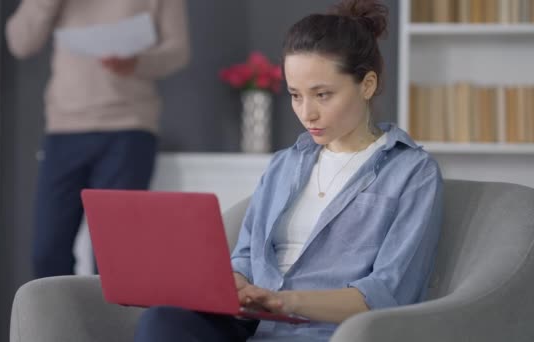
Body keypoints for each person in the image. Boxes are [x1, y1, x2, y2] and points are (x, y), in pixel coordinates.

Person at [134, 0, 443, 341]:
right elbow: (246, 257)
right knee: (163, 320)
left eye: (322, 95)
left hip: (330, 332)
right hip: (252, 326)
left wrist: (285, 301)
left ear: (367, 85)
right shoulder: (285, 164)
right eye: (296, 95)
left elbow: (388, 292)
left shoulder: (412, 172)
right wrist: (235, 284)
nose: (306, 113)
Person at [5, 0, 190, 278]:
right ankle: (59, 322)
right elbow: (21, 43)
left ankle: (108, 322)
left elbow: (178, 51)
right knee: (46, 253)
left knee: (113, 257)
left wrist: (136, 62)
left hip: (128, 130)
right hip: (64, 129)